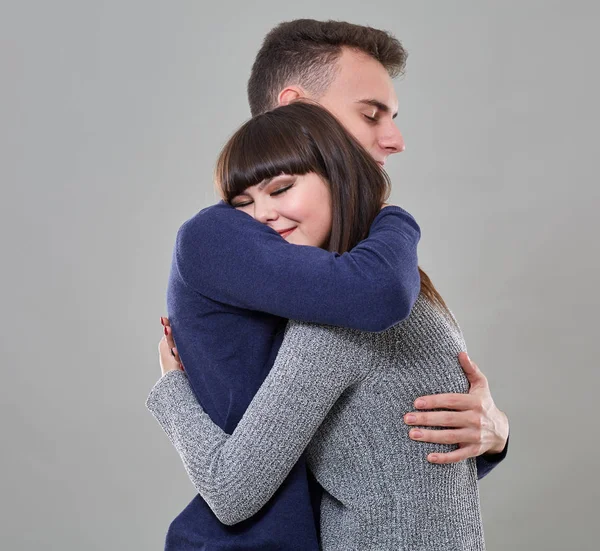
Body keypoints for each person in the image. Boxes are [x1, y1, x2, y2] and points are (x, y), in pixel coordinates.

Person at [149, 19, 508, 550]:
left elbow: (393, 470)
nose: (394, 139)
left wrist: (491, 433)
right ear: (300, 110)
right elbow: (372, 297)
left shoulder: (363, 274)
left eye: (280, 189)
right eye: (370, 113)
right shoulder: (226, 238)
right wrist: (169, 389)